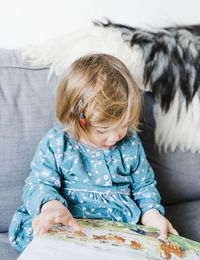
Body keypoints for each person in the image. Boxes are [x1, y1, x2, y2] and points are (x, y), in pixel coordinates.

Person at [9, 53, 178, 252]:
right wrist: (51, 205)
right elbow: (39, 182)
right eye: (102, 130)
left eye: (123, 125)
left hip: (116, 228)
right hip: (69, 222)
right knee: (41, 233)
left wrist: (151, 212)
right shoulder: (58, 142)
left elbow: (144, 185)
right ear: (75, 118)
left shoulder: (130, 142)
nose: (115, 137)